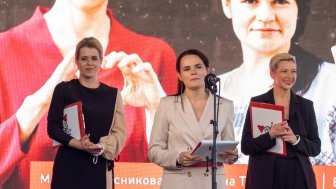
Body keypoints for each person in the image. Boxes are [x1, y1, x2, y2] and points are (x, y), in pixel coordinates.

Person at [0, 0, 177, 188]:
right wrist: (37, 106)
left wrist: (158, 112)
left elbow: (188, 174)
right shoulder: (4, 52)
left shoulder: (153, 59)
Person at [219, 0, 336, 164]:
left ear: (298, 10)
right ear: (227, 5)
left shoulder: (331, 87)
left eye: (280, 1)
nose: (266, 16)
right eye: (250, 1)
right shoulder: (208, 93)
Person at [148, 49, 238, 189]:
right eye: (187, 69)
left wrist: (232, 155)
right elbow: (154, 150)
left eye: (198, 67)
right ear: (179, 75)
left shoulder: (225, 105)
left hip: (212, 182)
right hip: (179, 182)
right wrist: (178, 158)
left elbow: (228, 148)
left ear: (207, 70)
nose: (193, 72)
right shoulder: (167, 104)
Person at [47, 37, 126, 189]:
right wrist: (79, 145)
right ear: (76, 61)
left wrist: (102, 147)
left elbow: (120, 133)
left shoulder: (113, 94)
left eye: (94, 58)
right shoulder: (63, 89)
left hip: (99, 168)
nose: (89, 63)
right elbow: (53, 127)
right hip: (68, 167)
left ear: (101, 60)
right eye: (84, 58)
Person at [241, 53, 321, 189]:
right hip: (264, 175)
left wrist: (296, 139)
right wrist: (270, 135)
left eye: (293, 71)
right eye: (284, 71)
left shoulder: (306, 106)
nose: (290, 76)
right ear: (273, 73)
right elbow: (247, 147)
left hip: (297, 175)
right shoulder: (258, 102)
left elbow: (315, 148)